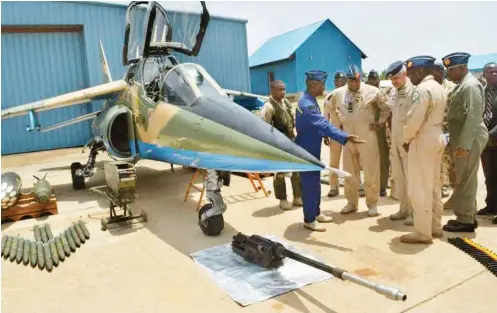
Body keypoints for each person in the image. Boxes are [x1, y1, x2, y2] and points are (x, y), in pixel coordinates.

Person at [295, 70, 366, 231]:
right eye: (322, 85)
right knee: (310, 184)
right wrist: (345, 137)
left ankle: (316, 212)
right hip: (307, 149)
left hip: (311, 146)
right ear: (314, 86)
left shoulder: (308, 100)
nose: (324, 88)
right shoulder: (307, 104)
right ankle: (309, 219)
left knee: (315, 182)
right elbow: (323, 125)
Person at [332, 65, 391, 217]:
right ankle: (351, 202)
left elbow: (387, 106)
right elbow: (330, 108)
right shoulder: (338, 93)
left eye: (358, 80)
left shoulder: (372, 91)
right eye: (352, 81)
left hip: (367, 136)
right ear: (347, 80)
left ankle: (372, 204)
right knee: (349, 172)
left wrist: (381, 122)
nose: (355, 83)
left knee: (371, 171)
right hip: (348, 138)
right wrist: (338, 123)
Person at [400, 56, 447, 244]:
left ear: (419, 72)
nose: (410, 78)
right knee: (435, 184)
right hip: (437, 136)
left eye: (411, 74)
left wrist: (406, 138)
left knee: (420, 186)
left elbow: (414, 120)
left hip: (423, 138)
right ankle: (435, 227)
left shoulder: (422, 90)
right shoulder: (438, 87)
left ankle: (422, 232)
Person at [442, 52, 488, 233]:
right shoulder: (462, 85)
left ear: (463, 68)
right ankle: (468, 215)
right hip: (464, 138)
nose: (448, 74)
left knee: (465, 179)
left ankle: (465, 220)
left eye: (451, 70)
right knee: (466, 178)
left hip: (469, 139)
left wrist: (464, 145)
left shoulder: (470, 86)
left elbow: (473, 117)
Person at [260, 80, 303, 210]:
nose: (283, 92)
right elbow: (263, 128)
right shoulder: (268, 107)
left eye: (284, 89)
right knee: (280, 173)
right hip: (278, 144)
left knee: (296, 170)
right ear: (272, 90)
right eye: (280, 89)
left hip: (291, 141)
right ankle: (282, 199)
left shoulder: (286, 102)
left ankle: (298, 197)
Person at [385, 61, 415, 225]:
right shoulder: (394, 92)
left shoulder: (413, 91)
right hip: (396, 141)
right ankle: (404, 209)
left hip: (407, 142)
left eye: (396, 78)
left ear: (405, 75)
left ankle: (415, 212)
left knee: (411, 178)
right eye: (392, 79)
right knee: (399, 176)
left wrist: (409, 140)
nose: (394, 82)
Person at [432, 62, 457, 198]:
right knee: (439, 163)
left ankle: (456, 194)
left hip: (450, 133)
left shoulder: (452, 88)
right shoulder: (430, 88)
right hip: (436, 133)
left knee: (453, 165)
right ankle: (441, 188)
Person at [477, 62, 497, 216]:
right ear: (484, 74)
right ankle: (491, 205)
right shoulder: (482, 92)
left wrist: (491, 134)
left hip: (493, 137)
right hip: (486, 141)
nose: (494, 74)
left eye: (496, 71)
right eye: (491, 71)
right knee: (489, 175)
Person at [367, 70, 391, 197]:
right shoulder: (363, 92)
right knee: (366, 160)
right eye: (370, 80)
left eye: (374, 79)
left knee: (383, 159)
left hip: (379, 130)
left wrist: (380, 122)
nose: (372, 82)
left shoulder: (381, 93)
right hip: (365, 130)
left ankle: (382, 186)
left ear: (378, 81)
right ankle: (369, 185)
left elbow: (387, 108)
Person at [324, 71, 347, 197]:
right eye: (337, 81)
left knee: (353, 160)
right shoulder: (330, 96)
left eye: (342, 81)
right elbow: (325, 116)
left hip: (349, 132)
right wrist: (325, 134)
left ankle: (355, 184)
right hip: (335, 131)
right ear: (334, 82)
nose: (339, 83)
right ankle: (333, 186)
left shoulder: (351, 95)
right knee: (334, 160)